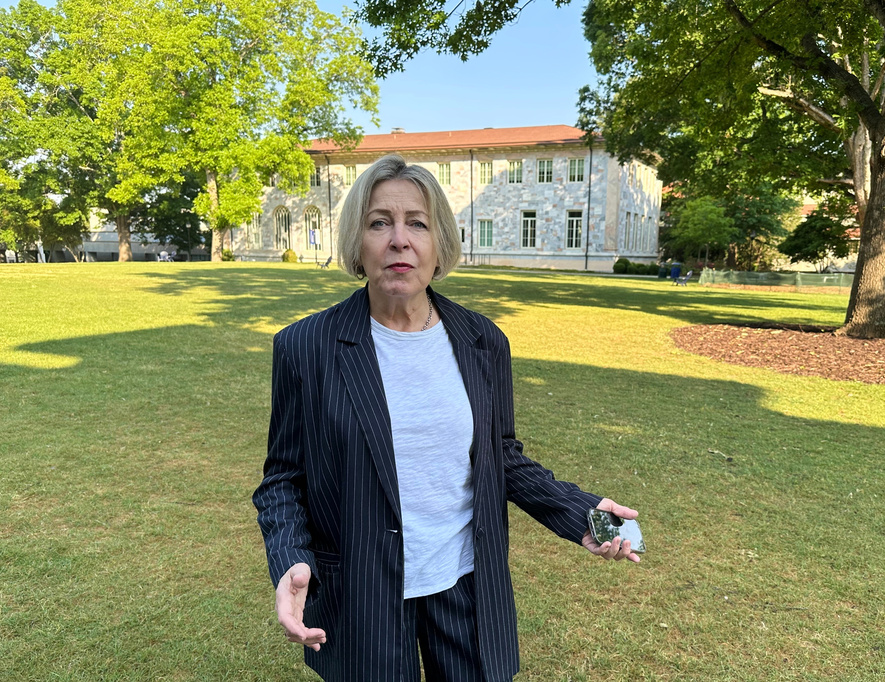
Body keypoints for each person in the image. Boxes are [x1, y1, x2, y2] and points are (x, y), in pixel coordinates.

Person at [253, 154, 640, 682]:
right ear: (357, 243)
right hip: (360, 590)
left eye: (417, 222)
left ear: (440, 244)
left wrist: (581, 512)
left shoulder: (483, 342)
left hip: (465, 582)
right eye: (378, 222)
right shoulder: (306, 347)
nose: (399, 239)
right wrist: (289, 557)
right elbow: (282, 479)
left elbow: (502, 458)